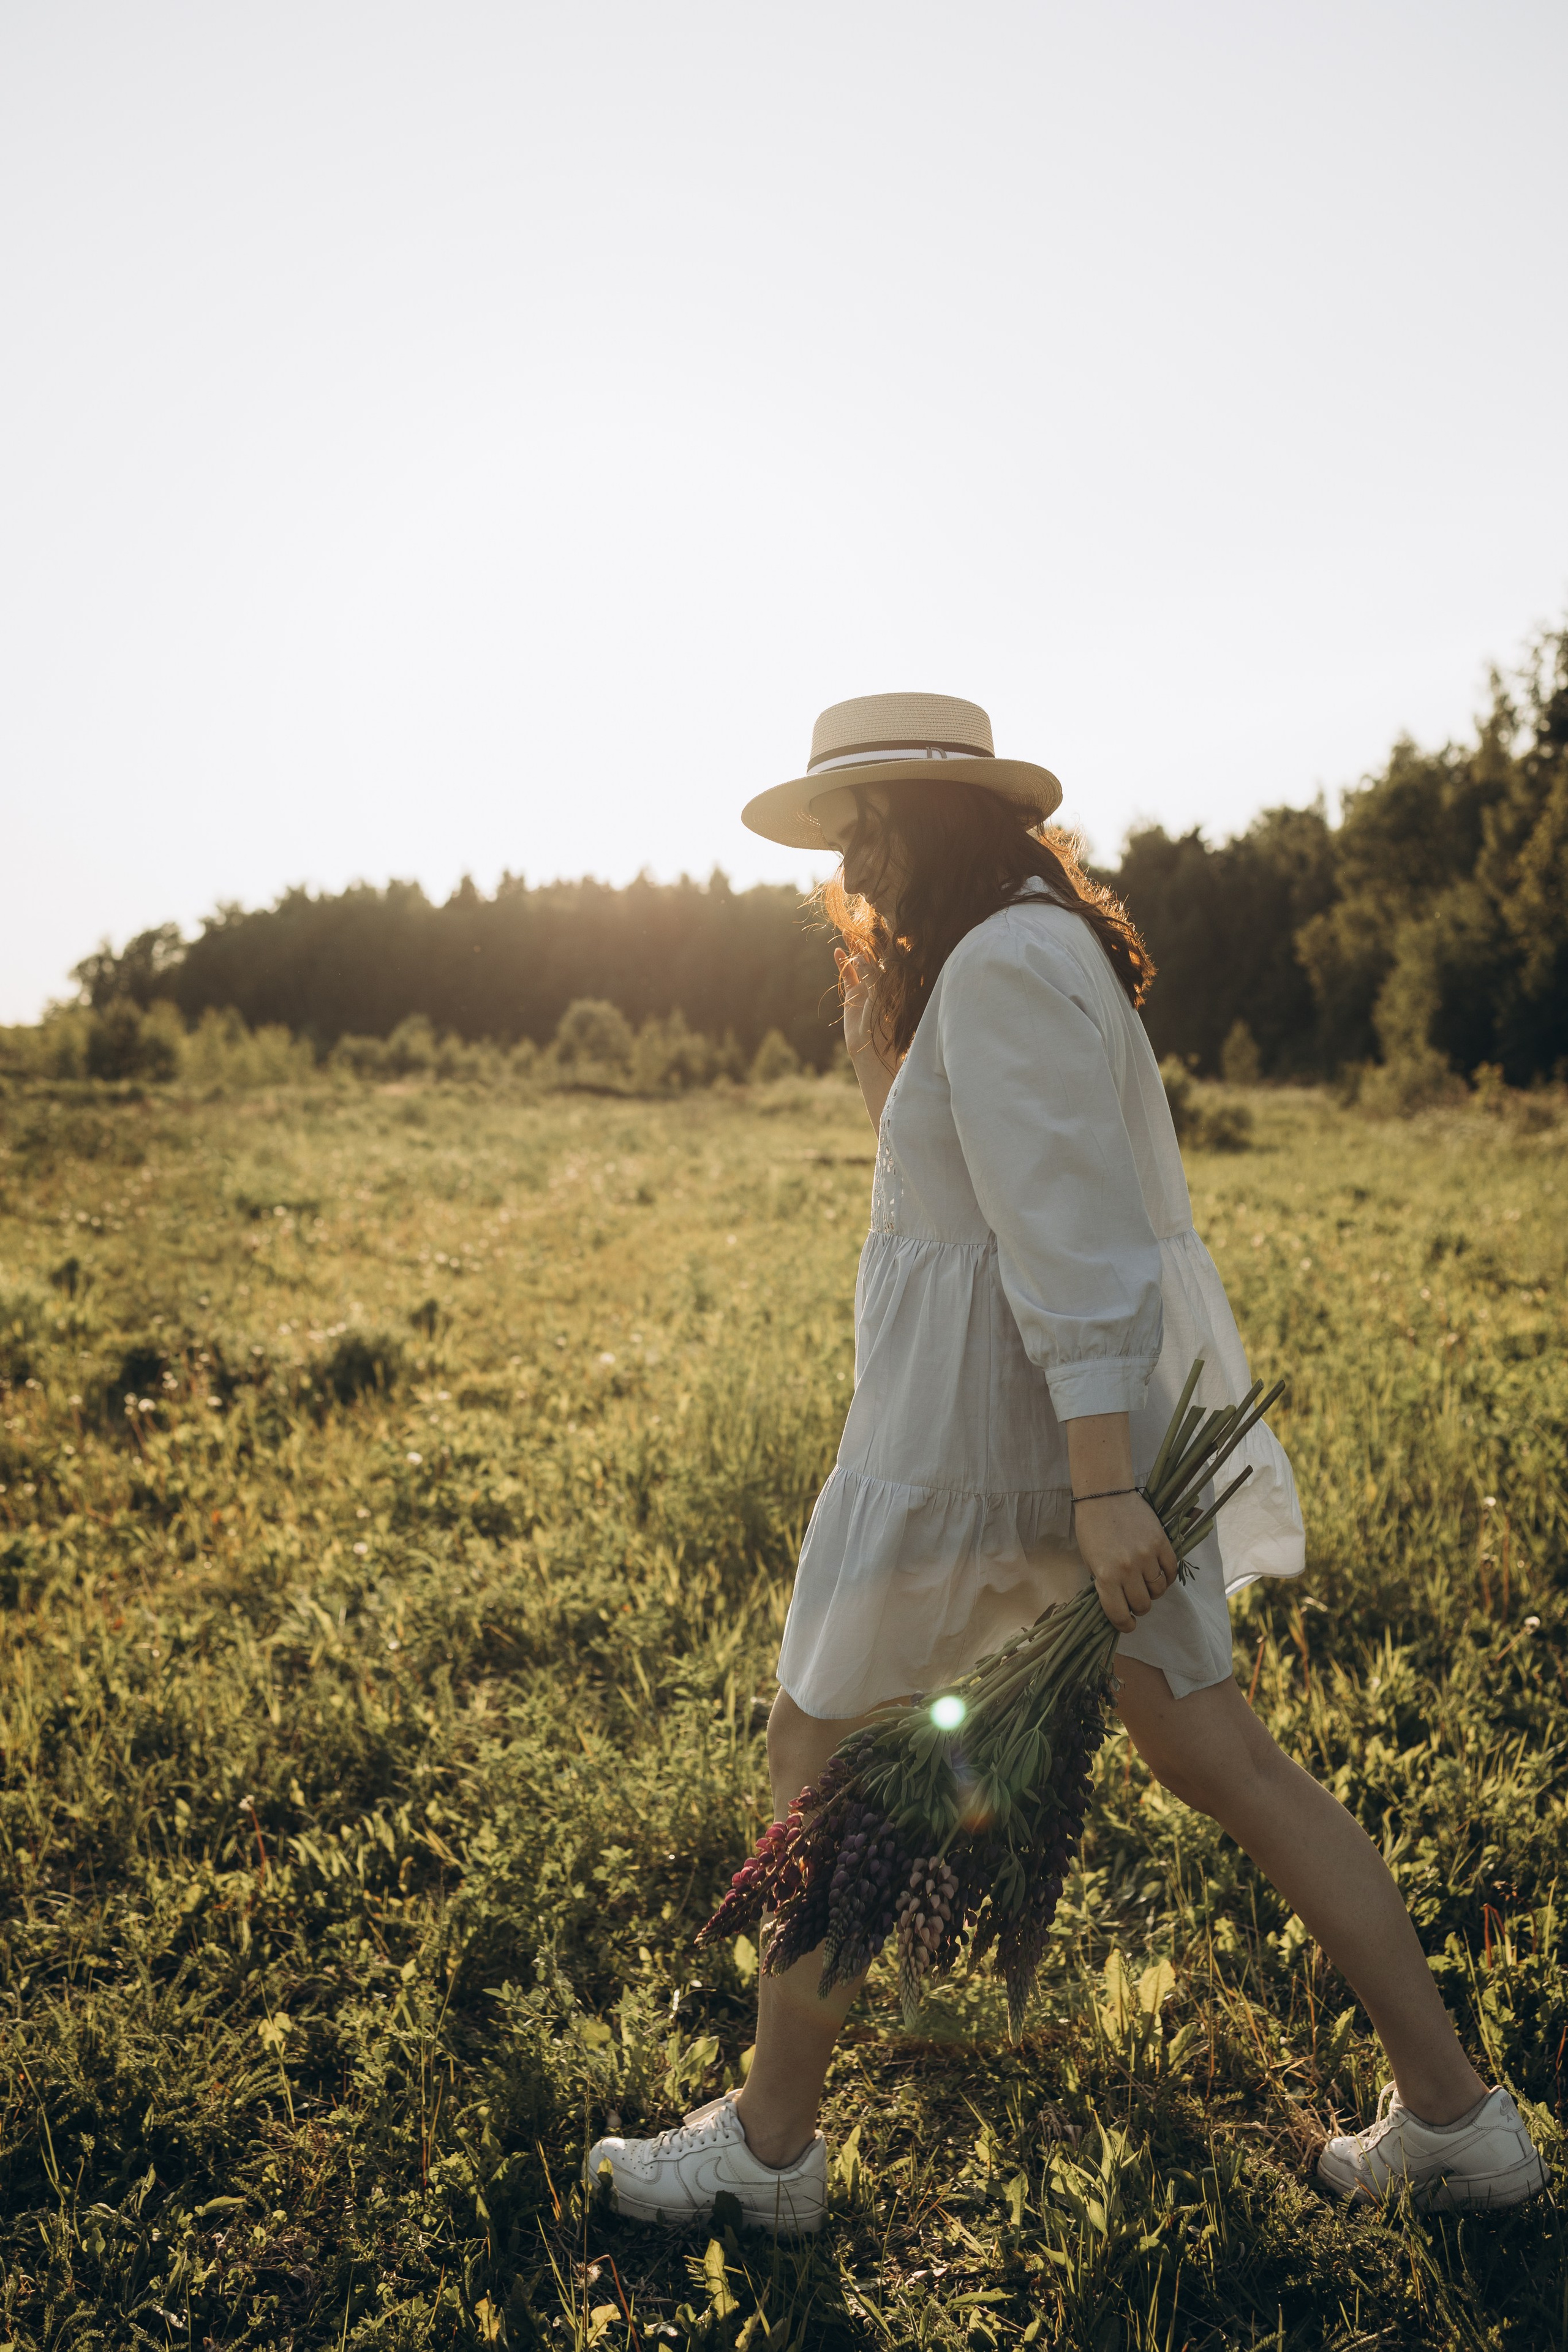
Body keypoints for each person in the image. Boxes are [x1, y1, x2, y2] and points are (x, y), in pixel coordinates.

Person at [587, 693, 1546, 2236]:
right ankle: (1456, 2124)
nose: (849, 867)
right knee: (1215, 1757)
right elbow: (954, 1179)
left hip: (1001, 1443)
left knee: (817, 1744)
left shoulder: (1008, 961)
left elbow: (1074, 1241)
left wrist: (1099, 1490)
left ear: (933, 815)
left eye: (864, 829)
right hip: (1039, 1435)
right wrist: (876, 1020)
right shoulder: (1004, 951)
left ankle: (766, 2154)